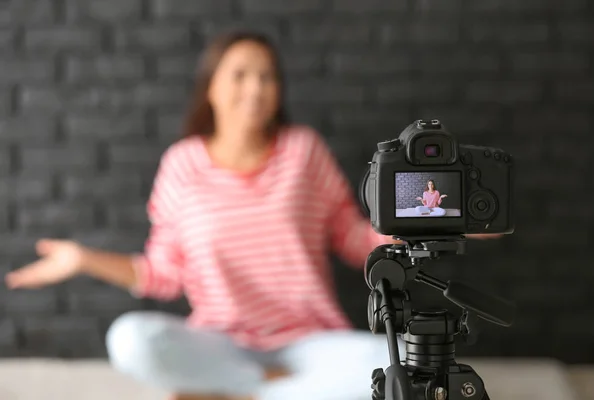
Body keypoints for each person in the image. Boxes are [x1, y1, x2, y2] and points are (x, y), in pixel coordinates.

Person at [4, 31, 500, 400]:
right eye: (240, 74)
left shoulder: (303, 151)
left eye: (267, 76)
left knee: (389, 365)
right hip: (218, 341)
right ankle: (269, 389)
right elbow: (162, 273)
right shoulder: (182, 163)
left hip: (310, 340)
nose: (256, 87)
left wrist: (437, 222)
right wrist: (81, 259)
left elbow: (352, 237)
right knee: (130, 339)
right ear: (212, 89)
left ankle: (233, 394)